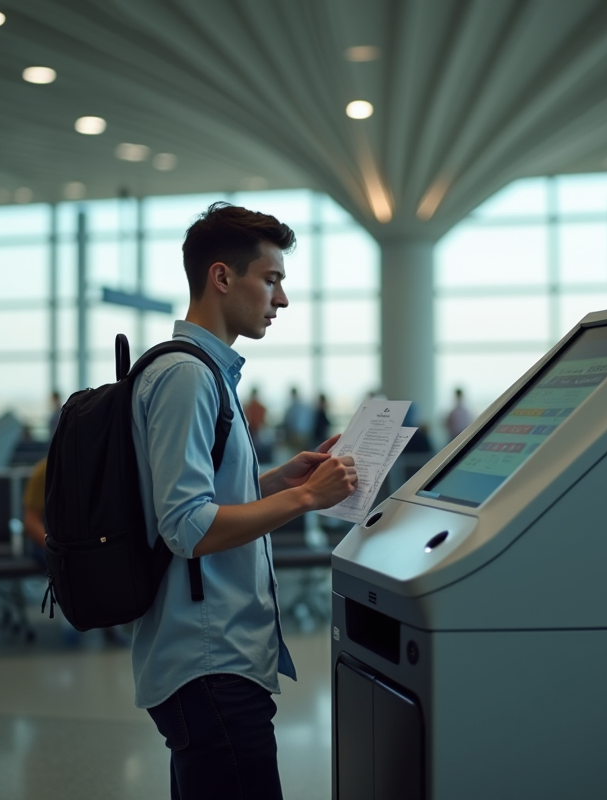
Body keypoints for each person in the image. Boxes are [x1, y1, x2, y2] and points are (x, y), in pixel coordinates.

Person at [131, 202, 357, 799]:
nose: (280, 300)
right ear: (222, 277)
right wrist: (308, 498)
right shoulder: (188, 378)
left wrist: (279, 480)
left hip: (215, 660)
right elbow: (186, 526)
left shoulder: (206, 374)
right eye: (272, 279)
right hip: (210, 662)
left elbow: (194, 499)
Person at [282, 387, 311, 452]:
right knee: (302, 453)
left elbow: (289, 421)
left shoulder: (292, 407)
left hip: (295, 433)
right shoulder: (304, 406)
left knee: (295, 453)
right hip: (304, 433)